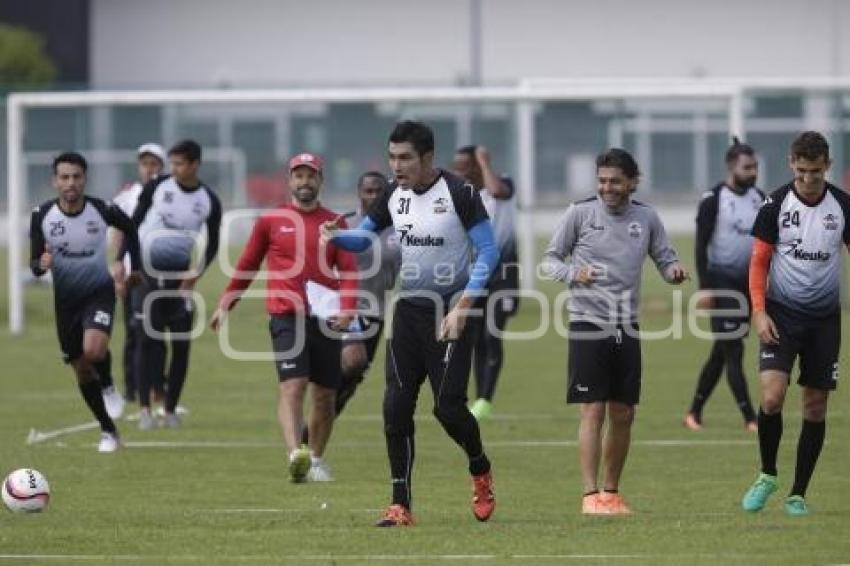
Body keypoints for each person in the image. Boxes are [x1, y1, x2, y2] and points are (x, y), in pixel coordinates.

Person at [322, 120, 501, 527]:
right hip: (409, 312)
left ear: (426, 158)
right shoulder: (392, 193)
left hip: (452, 308)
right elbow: (363, 238)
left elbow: (488, 253)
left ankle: (480, 468)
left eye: (405, 158)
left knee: (449, 409)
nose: (396, 165)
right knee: (395, 406)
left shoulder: (460, 192)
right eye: (392, 157)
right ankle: (400, 504)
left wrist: (463, 306)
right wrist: (335, 236)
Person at [541, 148, 688, 515]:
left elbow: (665, 258)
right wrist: (576, 273)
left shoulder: (647, 217)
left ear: (632, 182)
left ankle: (611, 493)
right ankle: (590, 497)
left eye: (615, 181)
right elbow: (549, 261)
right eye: (602, 181)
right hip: (588, 322)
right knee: (593, 410)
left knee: (623, 413)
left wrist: (674, 273)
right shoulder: (579, 213)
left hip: (626, 325)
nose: (607, 188)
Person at [209, 152, 357, 483]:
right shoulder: (271, 220)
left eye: (311, 175)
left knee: (325, 395)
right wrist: (225, 304)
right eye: (298, 176)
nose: (305, 182)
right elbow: (247, 263)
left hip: (325, 316)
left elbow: (347, 270)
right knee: (293, 386)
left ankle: (316, 459)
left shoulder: (335, 223)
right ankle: (296, 455)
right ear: (289, 181)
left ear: (321, 180)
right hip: (285, 315)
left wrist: (348, 309)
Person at [741, 131, 850, 517]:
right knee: (771, 397)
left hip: (824, 321)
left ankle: (797, 494)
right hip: (781, 315)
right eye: (801, 171)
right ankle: (767, 474)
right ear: (791, 164)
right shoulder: (774, 205)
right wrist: (759, 311)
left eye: (815, 173)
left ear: (828, 167)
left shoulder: (842, 205)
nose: (807, 179)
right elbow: (758, 263)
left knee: (816, 406)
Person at [29, 152, 141, 452]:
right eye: (64, 177)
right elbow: (35, 266)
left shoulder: (101, 209)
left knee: (93, 349)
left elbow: (130, 228)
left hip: (98, 292)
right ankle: (109, 431)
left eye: (76, 177)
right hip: (65, 302)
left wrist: (130, 264)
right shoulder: (42, 215)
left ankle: (108, 384)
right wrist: (42, 263)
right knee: (80, 367)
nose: (71, 183)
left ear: (85, 179)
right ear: (55, 181)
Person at [131, 140, 222, 430]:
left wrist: (196, 272)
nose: (174, 169)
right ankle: (144, 409)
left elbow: (213, 244)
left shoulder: (208, 199)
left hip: (181, 278)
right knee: (149, 340)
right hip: (150, 274)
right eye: (172, 163)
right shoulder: (157, 187)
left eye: (180, 163)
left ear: (195, 164)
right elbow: (133, 222)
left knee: (181, 344)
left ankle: (169, 410)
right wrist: (130, 264)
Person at [684, 138, 763, 432]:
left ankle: (693, 412)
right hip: (721, 283)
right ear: (732, 166)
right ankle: (751, 418)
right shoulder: (713, 199)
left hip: (747, 285)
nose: (753, 171)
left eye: (755, 166)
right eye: (747, 167)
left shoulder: (760, 198)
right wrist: (704, 287)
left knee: (723, 349)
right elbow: (700, 246)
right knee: (734, 351)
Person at [451, 144, 520, 421]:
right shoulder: (460, 197)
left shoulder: (501, 185)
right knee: (476, 338)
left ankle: (485, 399)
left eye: (465, 166)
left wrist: (483, 161)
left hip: (504, 275)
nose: (460, 172)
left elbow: (497, 190)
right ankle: (480, 401)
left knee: (492, 334)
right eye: (457, 167)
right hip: (473, 276)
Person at [112, 142, 166, 403]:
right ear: (139, 167)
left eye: (154, 164)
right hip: (135, 276)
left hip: (161, 273)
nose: (149, 169)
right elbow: (119, 232)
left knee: (158, 332)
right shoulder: (128, 196)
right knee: (134, 332)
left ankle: (158, 388)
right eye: (145, 164)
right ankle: (132, 389)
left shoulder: (168, 195)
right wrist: (118, 270)